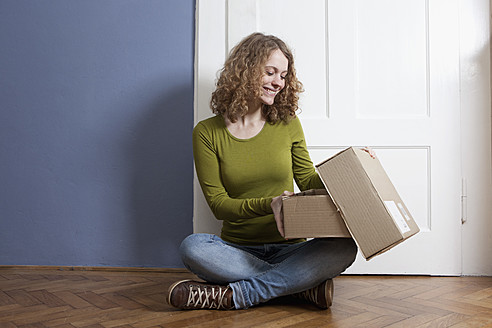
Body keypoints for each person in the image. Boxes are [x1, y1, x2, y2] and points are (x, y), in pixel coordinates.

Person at [167, 32, 358, 311]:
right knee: (193, 248)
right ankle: (297, 286)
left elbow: (307, 180)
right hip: (237, 251)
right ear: (245, 70)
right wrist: (271, 204)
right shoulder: (207, 133)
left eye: (283, 75)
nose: (278, 83)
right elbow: (220, 206)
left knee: (345, 247)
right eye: (270, 72)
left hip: (292, 247)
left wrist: (350, 169)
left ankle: (240, 294)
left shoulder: (288, 123)